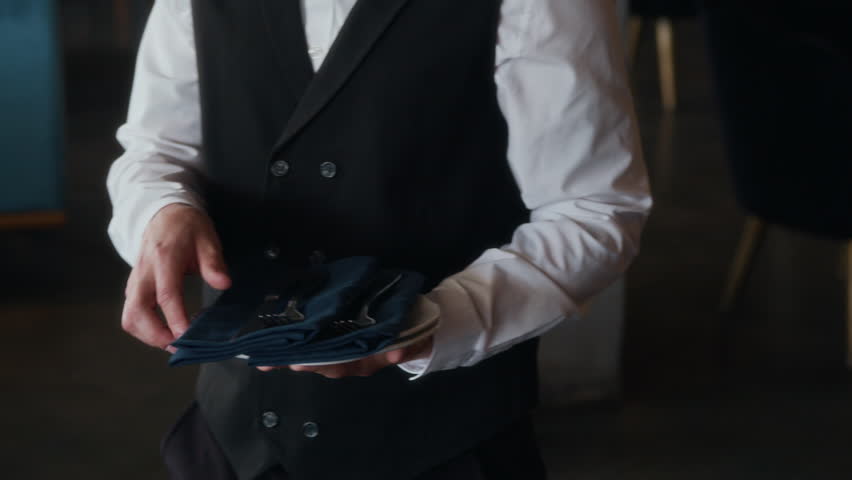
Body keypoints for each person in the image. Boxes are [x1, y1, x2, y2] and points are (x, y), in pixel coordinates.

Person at [106, 1, 652, 479]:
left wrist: (437, 322)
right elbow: (156, 151)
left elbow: (594, 208)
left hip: (442, 443)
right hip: (235, 437)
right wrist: (163, 210)